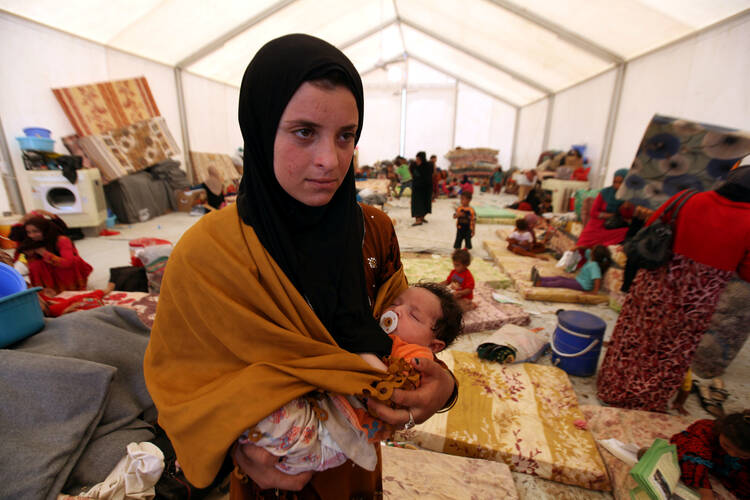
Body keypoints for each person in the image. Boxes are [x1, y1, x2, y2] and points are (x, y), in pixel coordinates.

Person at [143, 34, 457, 498]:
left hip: (356, 472)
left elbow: (401, 335)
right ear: (260, 127)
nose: (329, 161)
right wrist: (233, 443)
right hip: (270, 480)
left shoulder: (373, 231)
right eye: (304, 132)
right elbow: (181, 380)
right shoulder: (209, 253)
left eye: (346, 136)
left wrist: (443, 388)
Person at [248, 283, 463, 475]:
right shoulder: (382, 336)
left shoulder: (415, 354)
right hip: (326, 409)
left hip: (344, 430)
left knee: (279, 431)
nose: (396, 311)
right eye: (395, 303)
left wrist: (361, 351)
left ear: (434, 346)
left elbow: (392, 387)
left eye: (414, 316)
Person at [597, 165, 750, 412]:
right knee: (670, 352)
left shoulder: (686, 197)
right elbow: (746, 271)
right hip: (696, 300)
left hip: (655, 285)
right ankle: (646, 400)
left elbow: (654, 223)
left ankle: (612, 389)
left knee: (634, 338)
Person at [669, 411, 750, 500]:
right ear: (721, 429)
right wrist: (706, 493)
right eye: (726, 445)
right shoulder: (707, 429)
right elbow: (692, 453)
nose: (731, 454)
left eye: (742, 455)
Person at [12, 215, 92, 294]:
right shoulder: (31, 242)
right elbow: (15, 238)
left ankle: (68, 289)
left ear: (45, 230)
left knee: (73, 262)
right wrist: (30, 256)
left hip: (67, 269)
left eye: (35, 231)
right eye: (28, 232)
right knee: (35, 265)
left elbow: (68, 263)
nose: (31, 235)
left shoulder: (62, 240)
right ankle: (46, 291)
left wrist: (45, 253)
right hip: (49, 271)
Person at [575, 168, 630, 248]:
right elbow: (593, 213)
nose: (617, 185)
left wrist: (626, 206)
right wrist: (610, 215)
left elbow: (627, 217)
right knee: (583, 243)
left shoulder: (629, 197)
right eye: (615, 182)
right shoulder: (605, 193)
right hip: (597, 223)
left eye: (620, 183)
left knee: (627, 233)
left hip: (614, 226)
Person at [531, 244, 611, 293]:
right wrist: (578, 247)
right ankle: (539, 278)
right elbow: (586, 249)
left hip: (583, 286)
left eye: (593, 249)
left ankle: (540, 283)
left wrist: (594, 291)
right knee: (560, 277)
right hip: (578, 280)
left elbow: (597, 279)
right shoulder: (591, 258)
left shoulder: (594, 265)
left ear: (595, 254)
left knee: (561, 282)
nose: (591, 250)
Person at [410, 151, 433, 225]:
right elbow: (410, 171)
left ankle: (422, 217)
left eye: (418, 158)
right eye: (416, 158)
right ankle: (418, 219)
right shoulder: (413, 165)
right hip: (417, 187)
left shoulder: (428, 165)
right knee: (417, 203)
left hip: (426, 187)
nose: (417, 160)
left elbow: (430, 175)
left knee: (426, 202)